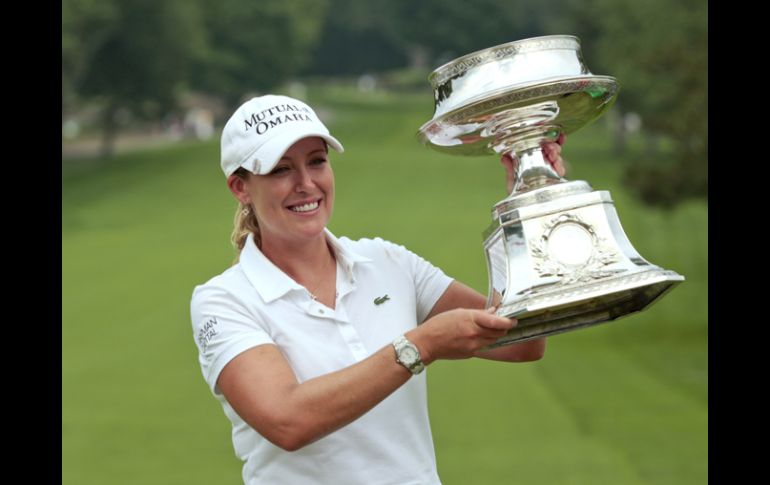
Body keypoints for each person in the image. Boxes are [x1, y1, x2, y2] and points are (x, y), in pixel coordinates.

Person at [190, 94, 566, 485]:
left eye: (317, 161)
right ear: (241, 187)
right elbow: (289, 421)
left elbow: (522, 341)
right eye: (281, 169)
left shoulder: (387, 261)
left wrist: (523, 205)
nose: (306, 184)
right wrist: (420, 345)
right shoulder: (223, 300)